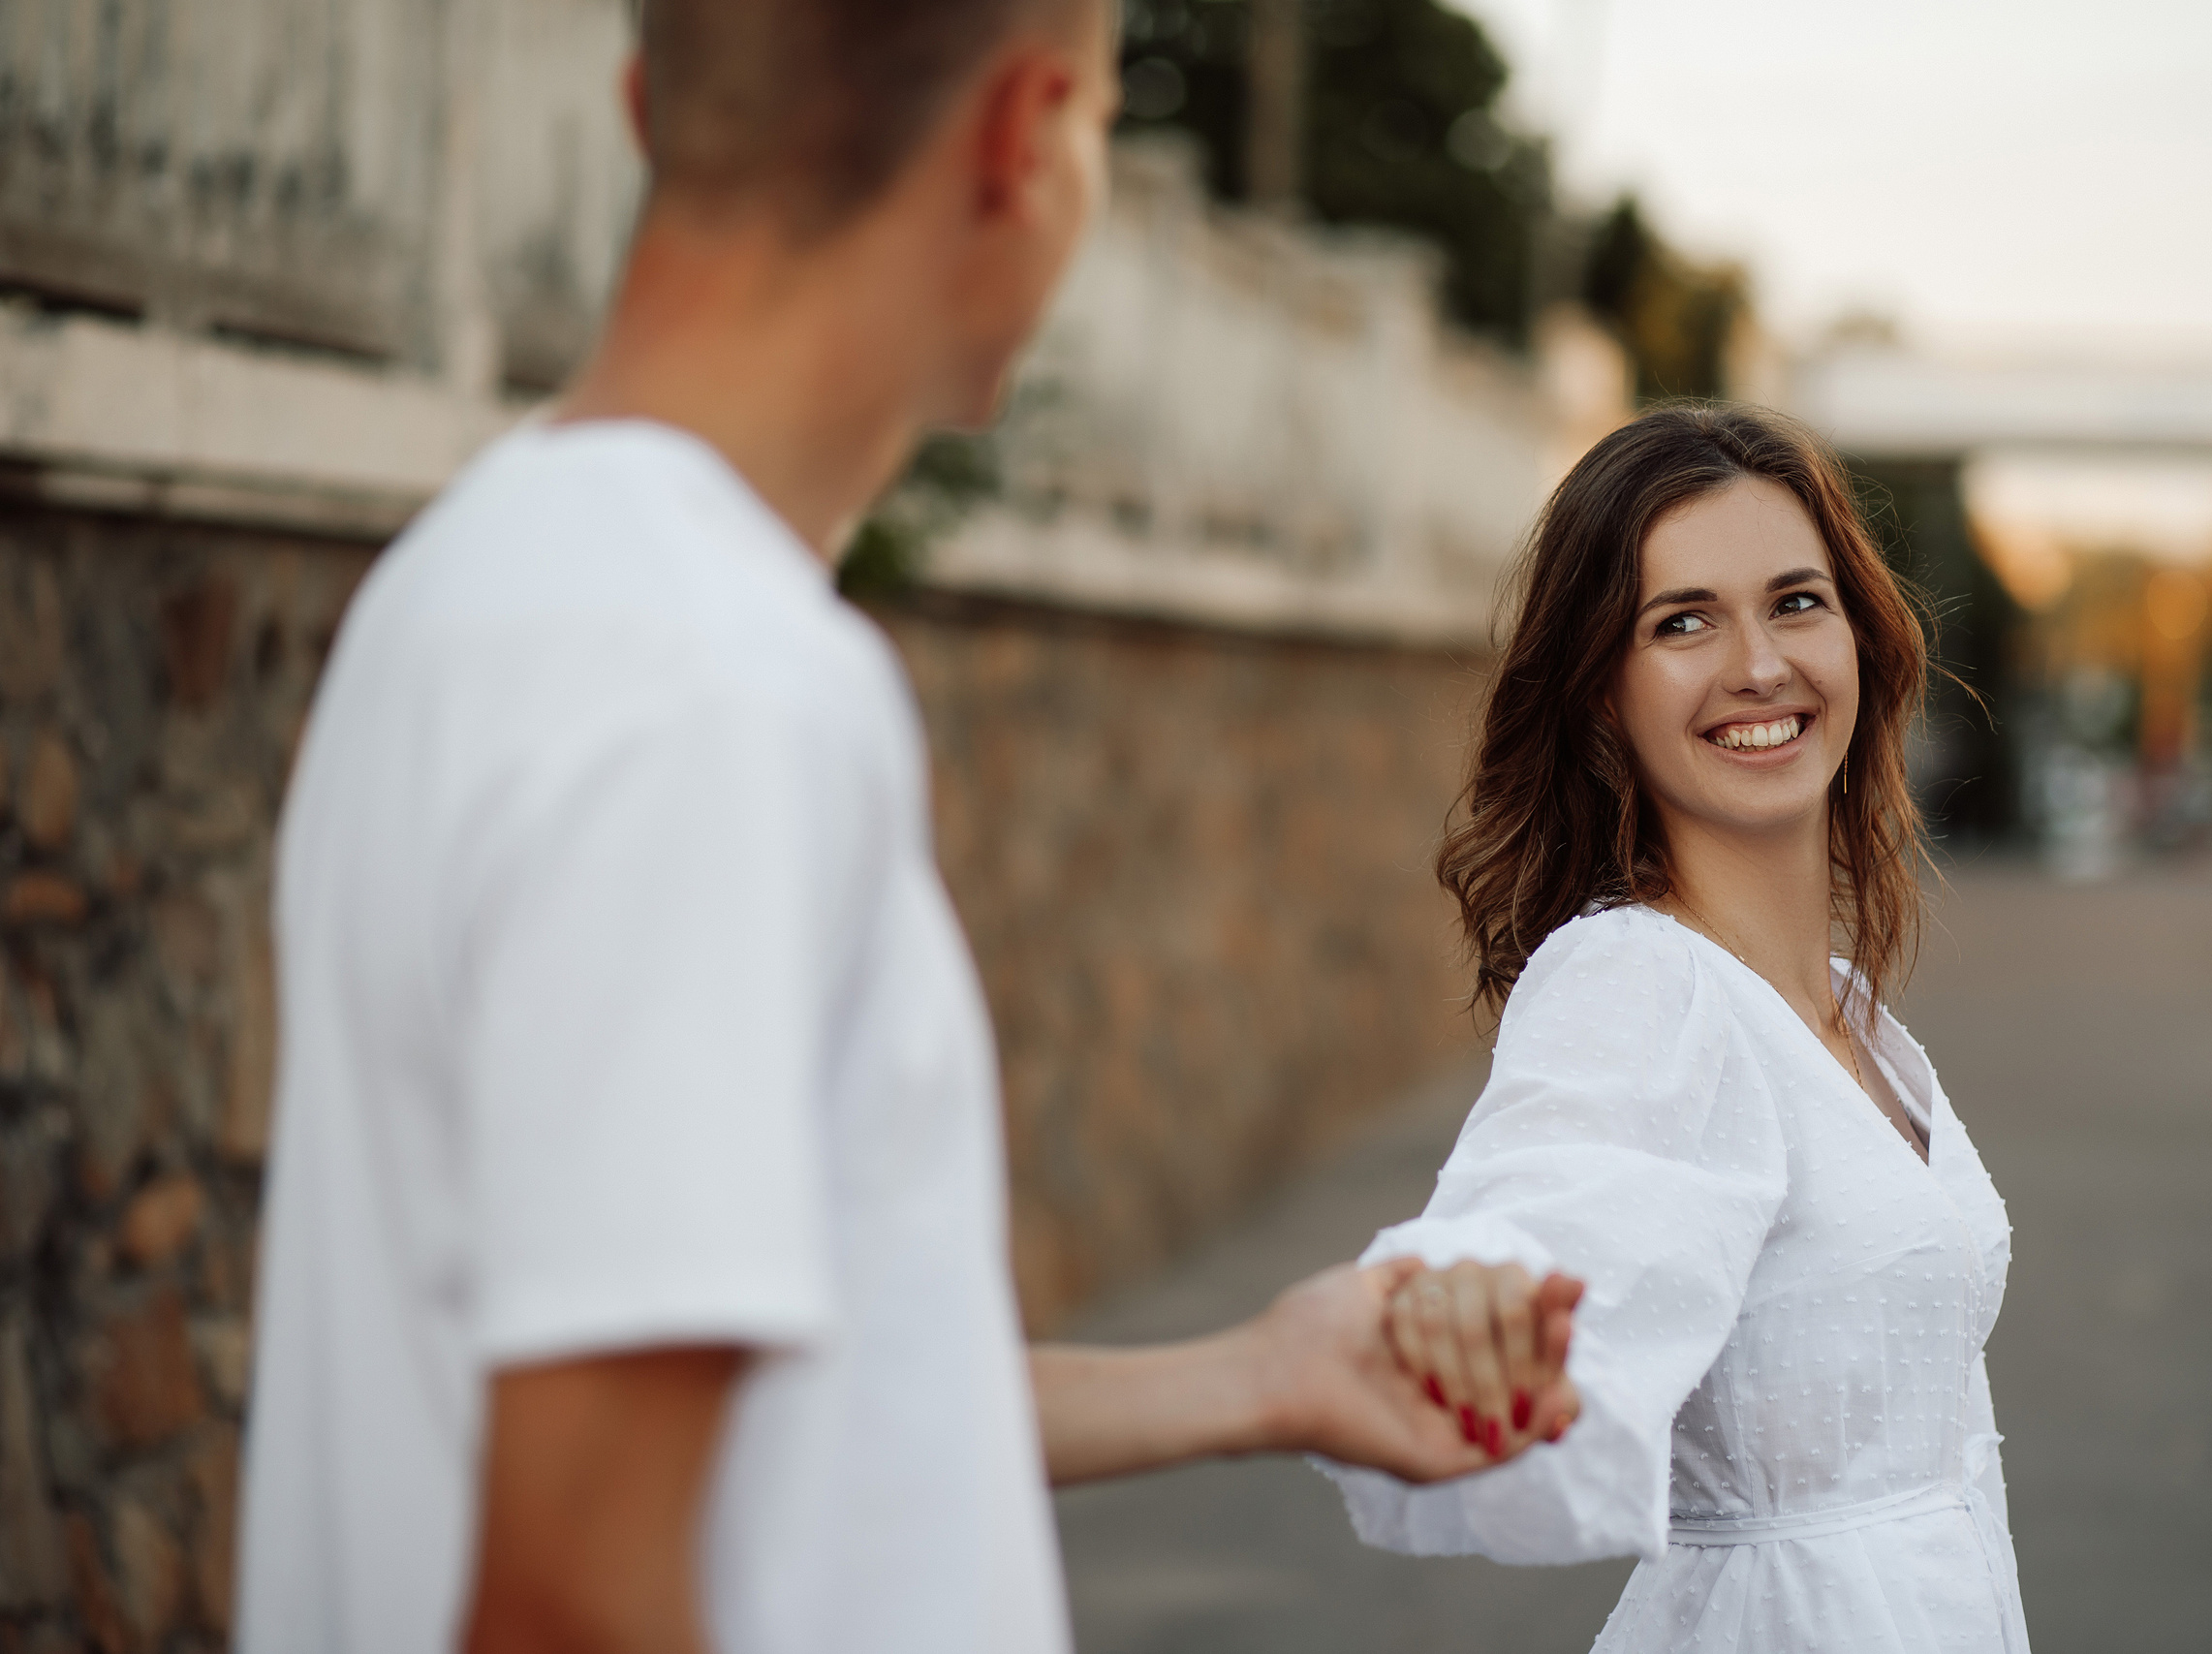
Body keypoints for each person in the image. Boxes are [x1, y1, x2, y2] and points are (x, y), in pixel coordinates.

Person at [232, 2, 1583, 1651]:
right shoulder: (711, 685)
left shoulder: (470, 582)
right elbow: (572, 1598)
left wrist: (1257, 1376)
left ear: (652, 105)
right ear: (1025, 142)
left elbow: (770, 1409)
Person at [1335, 404, 2030, 1653]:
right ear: (1602, 695)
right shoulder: (1639, 985)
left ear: (1860, 640)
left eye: (1797, 602)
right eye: (1683, 621)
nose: (1758, 664)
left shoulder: (1842, 1009)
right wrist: (1467, 1297)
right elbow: (1547, 1206)